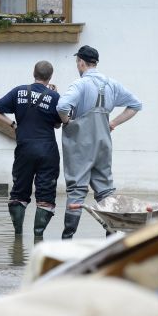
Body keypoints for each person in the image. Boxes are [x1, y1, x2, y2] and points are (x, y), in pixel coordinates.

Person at [57, 45, 142, 239]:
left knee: (77, 189)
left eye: (77, 62)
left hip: (81, 146)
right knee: (105, 191)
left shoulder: (80, 84)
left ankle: (67, 240)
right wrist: (113, 123)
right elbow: (136, 104)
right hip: (103, 144)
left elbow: (62, 106)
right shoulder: (112, 84)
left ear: (80, 62)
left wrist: (67, 122)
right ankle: (111, 238)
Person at [0, 61, 61, 238]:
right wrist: (54, 95)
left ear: (33, 73)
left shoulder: (18, 91)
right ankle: (38, 237)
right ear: (50, 77)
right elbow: (58, 124)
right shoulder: (54, 97)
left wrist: (13, 124)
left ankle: (18, 237)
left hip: (24, 148)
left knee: (19, 192)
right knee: (45, 196)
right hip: (47, 149)